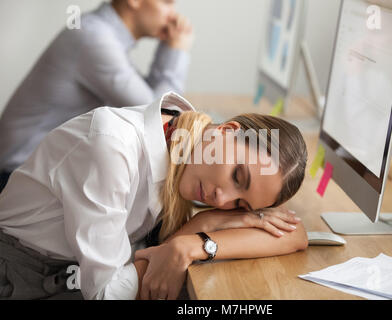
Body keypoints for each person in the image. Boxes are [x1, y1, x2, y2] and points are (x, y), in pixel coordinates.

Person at [0, 92, 308, 300]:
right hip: (19, 279)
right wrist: (193, 235)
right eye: (237, 176)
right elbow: (106, 294)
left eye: (240, 206)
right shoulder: (113, 148)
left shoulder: (180, 138)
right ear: (226, 131)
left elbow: (295, 235)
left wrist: (192, 242)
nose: (221, 198)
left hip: (73, 272)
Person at [0, 0, 194, 192]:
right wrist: (175, 49)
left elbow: (151, 107)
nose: (173, 14)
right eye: (167, 2)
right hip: (14, 180)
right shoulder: (93, 38)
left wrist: (169, 48)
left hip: (30, 174)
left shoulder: (99, 33)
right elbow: (156, 116)